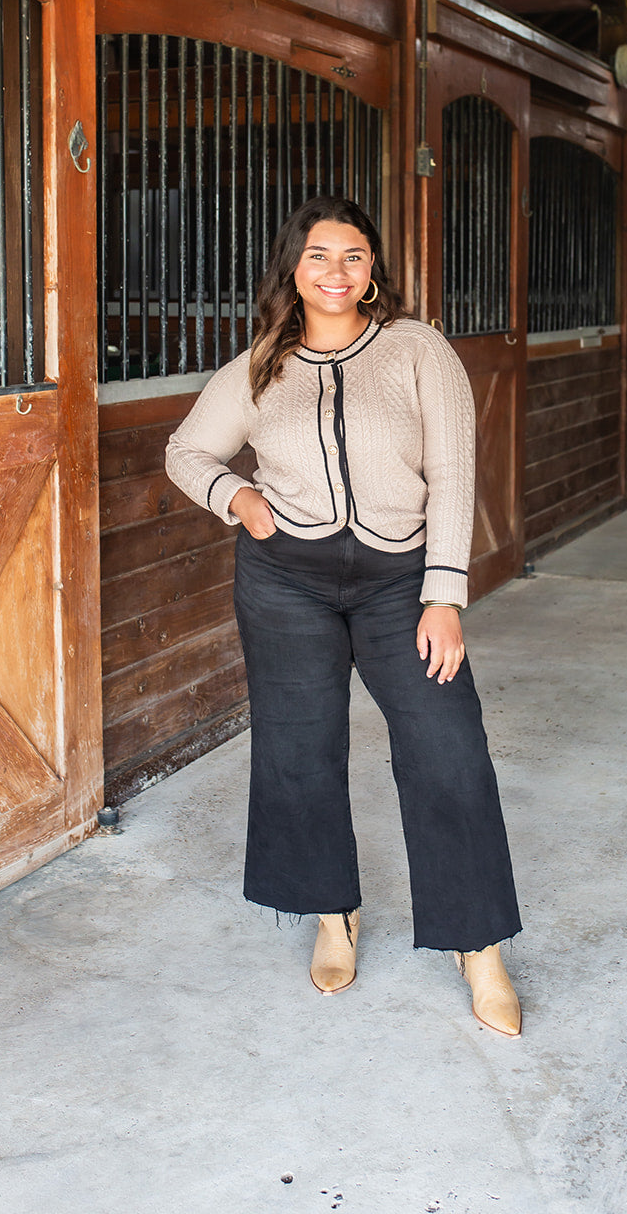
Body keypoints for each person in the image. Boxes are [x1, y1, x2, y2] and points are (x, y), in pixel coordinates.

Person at [165, 195, 522, 1036]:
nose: (335, 271)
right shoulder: (260, 365)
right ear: (294, 268)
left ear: (372, 271)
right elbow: (186, 451)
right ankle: (332, 914)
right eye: (319, 256)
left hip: (401, 582)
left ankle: (481, 948)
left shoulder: (415, 349)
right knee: (298, 747)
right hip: (285, 581)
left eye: (353, 256)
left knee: (448, 749)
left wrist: (444, 594)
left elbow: (452, 468)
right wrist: (237, 498)